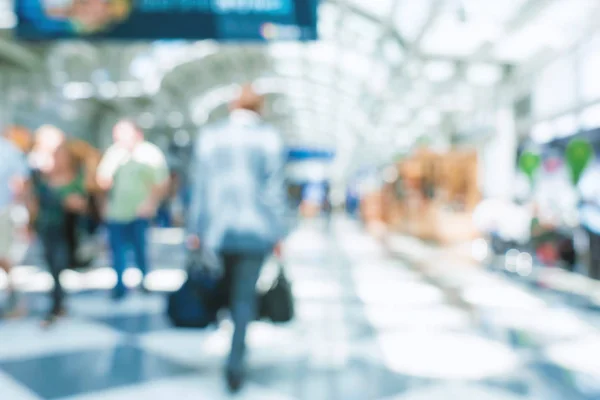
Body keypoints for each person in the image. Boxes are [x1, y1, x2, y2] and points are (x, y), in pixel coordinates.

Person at [187, 84, 288, 392]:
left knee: (221, 290)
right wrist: (279, 232)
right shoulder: (269, 138)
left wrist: (195, 230)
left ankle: (225, 344)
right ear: (259, 109)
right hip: (256, 232)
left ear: (233, 106)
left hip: (217, 231)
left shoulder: (211, 137)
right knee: (244, 298)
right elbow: (274, 191)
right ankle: (235, 362)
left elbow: (199, 186)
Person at [96, 119, 169, 300]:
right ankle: (119, 286)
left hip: (139, 212)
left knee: (140, 248)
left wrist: (151, 203)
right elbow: (101, 181)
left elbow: (161, 183)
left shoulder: (150, 154)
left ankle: (144, 281)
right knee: (117, 250)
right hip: (116, 211)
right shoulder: (114, 153)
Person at [29, 138, 89, 326]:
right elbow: (35, 202)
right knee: (51, 265)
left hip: (65, 230)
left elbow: (82, 204)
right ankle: (58, 301)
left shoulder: (75, 178)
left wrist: (67, 201)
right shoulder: (44, 178)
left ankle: (57, 304)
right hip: (46, 227)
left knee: (58, 264)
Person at [0, 131, 30, 318]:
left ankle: (14, 297)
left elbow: (20, 184)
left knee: (4, 256)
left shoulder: (9, 150)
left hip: (3, 211)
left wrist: (21, 215)